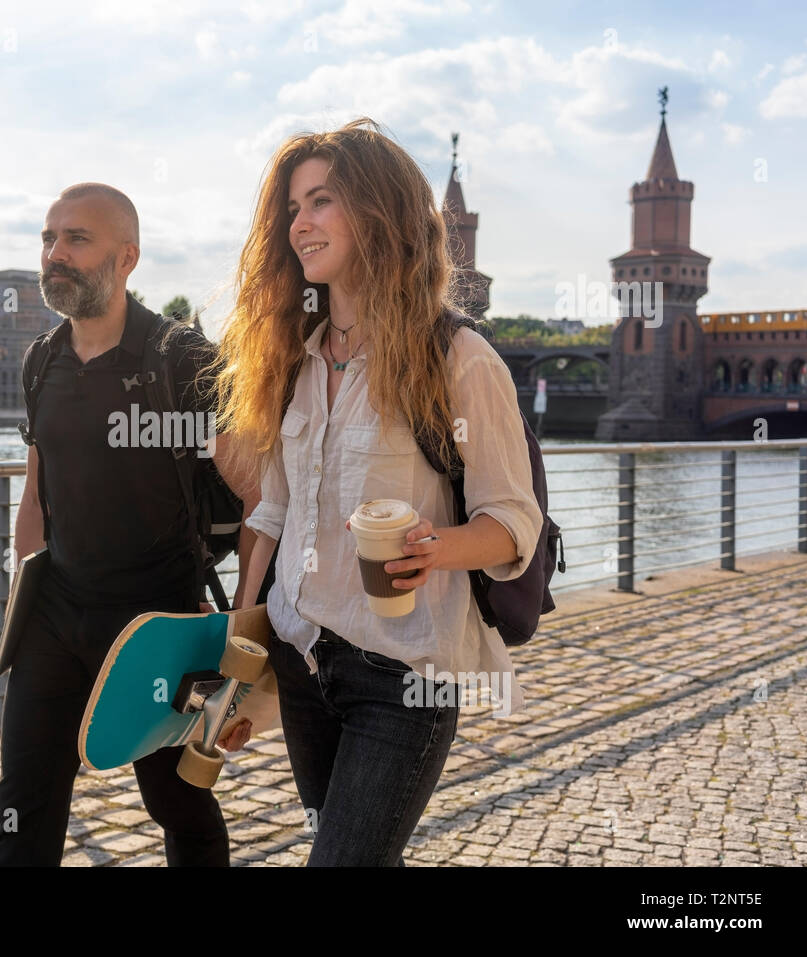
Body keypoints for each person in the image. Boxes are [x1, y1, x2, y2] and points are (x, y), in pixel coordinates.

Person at [210, 119, 543, 866]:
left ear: (379, 212)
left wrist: (439, 548)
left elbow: (515, 520)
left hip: (405, 677)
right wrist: (241, 666)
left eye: (322, 200)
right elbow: (272, 512)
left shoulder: (458, 357)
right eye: (293, 207)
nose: (300, 223)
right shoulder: (293, 360)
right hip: (302, 659)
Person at [0, 182, 260, 867]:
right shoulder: (41, 361)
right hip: (54, 618)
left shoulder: (182, 360)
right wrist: (20, 607)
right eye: (49, 238)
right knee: (21, 817)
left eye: (76, 238)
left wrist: (241, 640)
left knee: (179, 806)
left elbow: (262, 497)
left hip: (155, 626)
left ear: (127, 257)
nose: (55, 253)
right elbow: (36, 494)